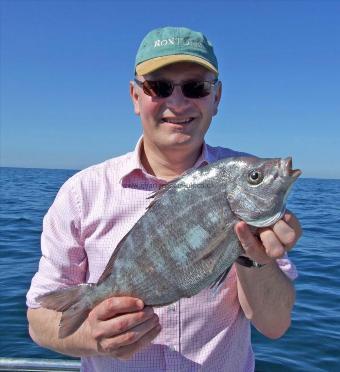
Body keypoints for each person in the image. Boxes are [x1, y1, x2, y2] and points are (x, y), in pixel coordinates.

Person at [27, 26, 301, 371]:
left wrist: (256, 258)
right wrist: (91, 337)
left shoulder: (244, 184)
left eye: (195, 87)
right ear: (135, 96)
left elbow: (275, 325)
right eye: (159, 87)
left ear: (215, 98)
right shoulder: (82, 193)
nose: (177, 102)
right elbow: (39, 318)